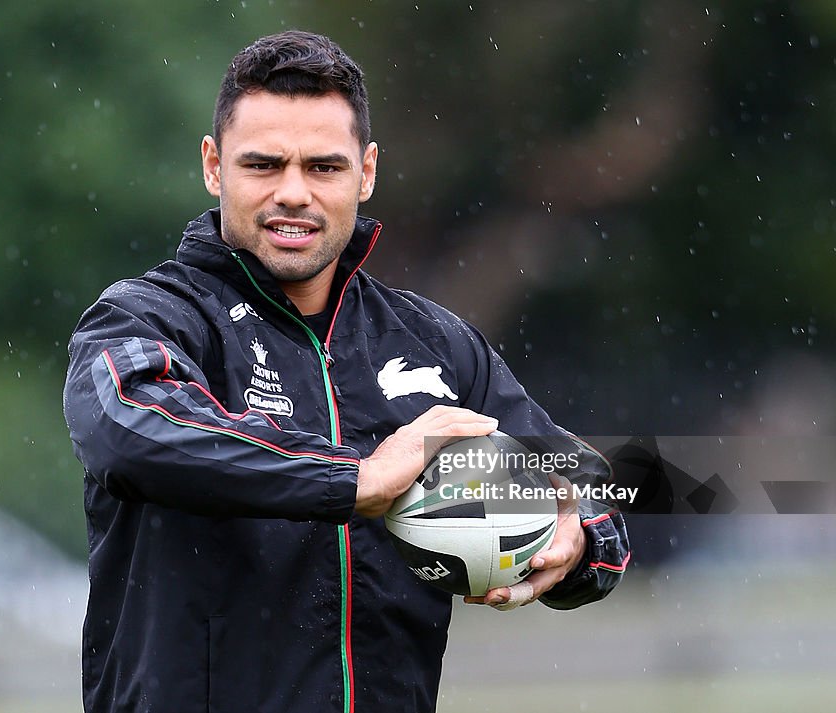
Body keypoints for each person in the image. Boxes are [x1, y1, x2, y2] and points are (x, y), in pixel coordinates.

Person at [63, 30, 629, 713]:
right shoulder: (145, 319)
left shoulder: (437, 346)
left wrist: (574, 534)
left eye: (324, 167)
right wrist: (355, 479)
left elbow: (589, 485)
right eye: (264, 164)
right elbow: (132, 427)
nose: (293, 193)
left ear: (365, 171)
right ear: (215, 167)